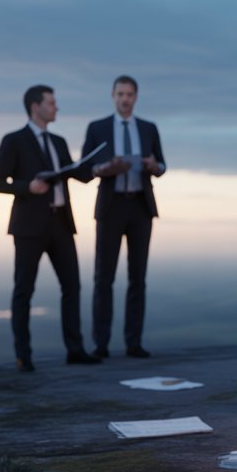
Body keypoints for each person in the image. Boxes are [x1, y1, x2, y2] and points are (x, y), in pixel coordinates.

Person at [0, 85, 96, 371]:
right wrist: (28, 187)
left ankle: (75, 349)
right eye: (51, 102)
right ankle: (23, 356)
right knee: (24, 290)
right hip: (29, 227)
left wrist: (98, 168)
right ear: (35, 106)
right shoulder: (14, 140)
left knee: (72, 286)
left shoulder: (59, 142)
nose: (56, 107)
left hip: (61, 223)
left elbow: (74, 173)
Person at [81, 75, 166, 359]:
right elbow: (85, 168)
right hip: (111, 206)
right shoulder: (98, 128)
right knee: (103, 277)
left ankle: (133, 343)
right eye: (120, 94)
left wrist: (154, 165)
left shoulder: (148, 128)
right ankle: (101, 344)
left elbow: (162, 165)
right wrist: (104, 168)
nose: (125, 99)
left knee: (137, 278)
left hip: (140, 207)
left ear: (136, 97)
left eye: (129, 94)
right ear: (112, 95)